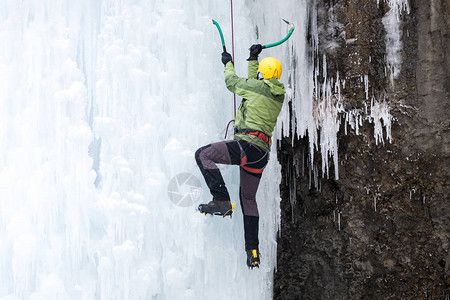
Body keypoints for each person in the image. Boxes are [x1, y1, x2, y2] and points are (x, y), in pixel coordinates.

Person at [195, 44, 286, 268]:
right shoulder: (276, 95)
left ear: (264, 75)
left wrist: (228, 64)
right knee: (248, 199)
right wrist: (253, 58)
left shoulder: (257, 88)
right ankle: (252, 251)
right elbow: (256, 84)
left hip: (247, 146)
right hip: (260, 155)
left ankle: (222, 199)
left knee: (203, 154)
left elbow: (233, 83)